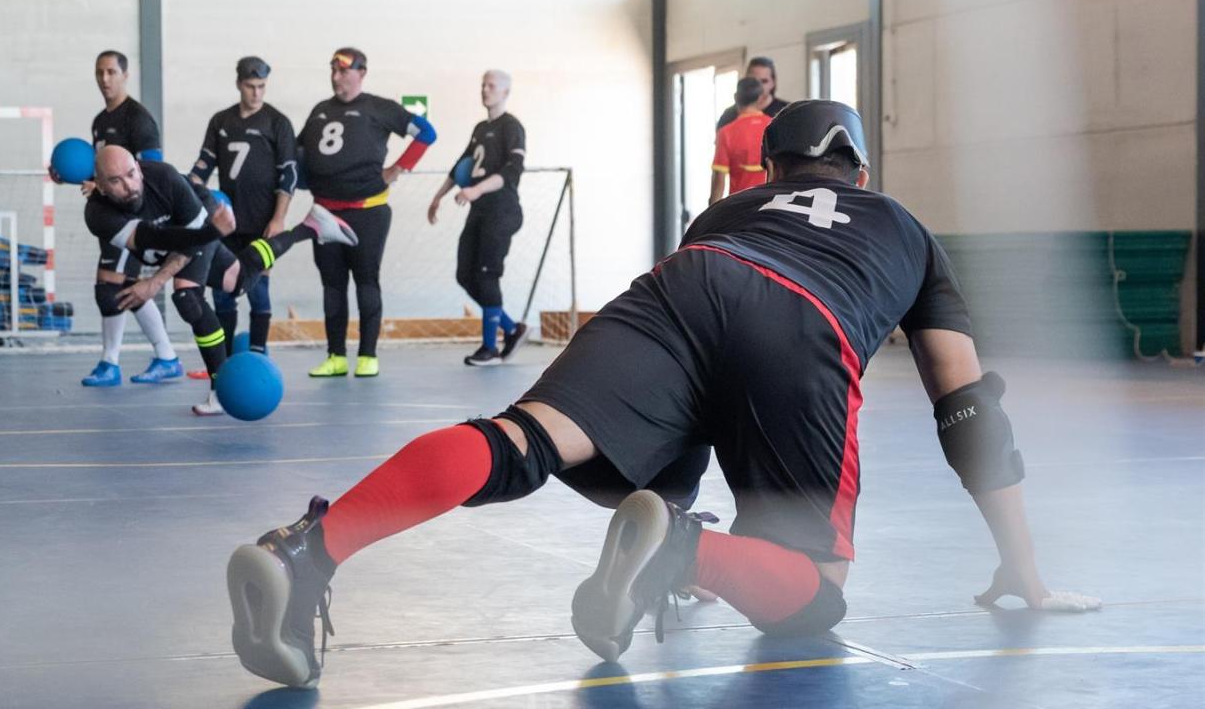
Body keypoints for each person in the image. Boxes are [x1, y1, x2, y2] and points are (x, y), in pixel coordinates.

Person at [223, 101, 1100, 690]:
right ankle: (681, 554)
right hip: (803, 324)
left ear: (770, 168)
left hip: (682, 283)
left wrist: (659, 494)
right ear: (859, 168)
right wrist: (1022, 566)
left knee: (519, 438)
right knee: (816, 595)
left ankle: (311, 546)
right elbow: (965, 405)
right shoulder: (903, 228)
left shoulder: (726, 215)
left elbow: (691, 391)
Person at [82, 147, 357, 415]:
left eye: (131, 174)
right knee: (238, 281)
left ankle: (219, 393)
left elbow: (197, 236)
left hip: (205, 216)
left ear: (139, 170)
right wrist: (160, 275)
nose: (129, 185)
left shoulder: (165, 178)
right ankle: (310, 227)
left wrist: (156, 281)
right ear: (100, 186)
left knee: (187, 296)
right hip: (190, 235)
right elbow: (157, 239)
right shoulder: (98, 216)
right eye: (116, 181)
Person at [297, 47, 437, 378]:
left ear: (361, 72)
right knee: (332, 286)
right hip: (325, 212)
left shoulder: (379, 108)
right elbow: (299, 152)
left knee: (365, 280)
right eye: (333, 71)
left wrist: (398, 169)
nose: (336, 77)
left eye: (344, 71)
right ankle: (335, 356)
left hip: (367, 211)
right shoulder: (320, 110)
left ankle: (368, 355)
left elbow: (426, 134)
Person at [81, 49, 180, 388]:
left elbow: (152, 171)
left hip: (134, 218)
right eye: (100, 72)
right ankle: (167, 356)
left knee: (109, 287)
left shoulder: (138, 119)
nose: (104, 79)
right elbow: (100, 170)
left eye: (111, 72)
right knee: (125, 287)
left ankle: (110, 363)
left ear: (125, 75)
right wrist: (72, 175)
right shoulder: (99, 120)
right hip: (111, 215)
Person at [189, 56, 299, 356]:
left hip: (262, 223)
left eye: (262, 87)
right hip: (226, 223)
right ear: (239, 84)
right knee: (223, 293)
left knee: (259, 291)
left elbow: (289, 174)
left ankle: (258, 355)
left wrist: (279, 218)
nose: (256, 94)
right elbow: (202, 166)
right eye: (250, 86)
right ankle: (224, 359)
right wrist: (190, 190)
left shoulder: (278, 123)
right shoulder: (221, 121)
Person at [428, 70, 527, 366]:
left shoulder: (512, 127)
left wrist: (476, 190)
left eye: (491, 86)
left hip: (502, 210)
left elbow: (512, 172)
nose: (485, 90)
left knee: (486, 275)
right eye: (483, 85)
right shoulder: (480, 128)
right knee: (465, 274)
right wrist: (438, 196)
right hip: (479, 211)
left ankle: (490, 349)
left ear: (506, 92)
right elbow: (461, 164)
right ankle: (511, 328)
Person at [709, 76, 772, 204]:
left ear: (736, 97)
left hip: (739, 208)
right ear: (760, 98)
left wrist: (709, 216)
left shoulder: (726, 133)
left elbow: (718, 184)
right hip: (770, 206)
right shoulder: (774, 126)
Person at [715, 56, 788, 130]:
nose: (759, 86)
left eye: (764, 81)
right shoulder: (729, 116)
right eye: (754, 81)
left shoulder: (787, 112)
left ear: (773, 83)